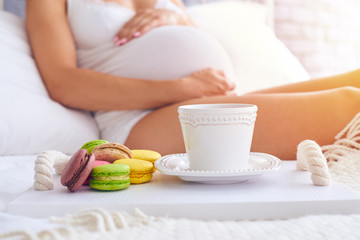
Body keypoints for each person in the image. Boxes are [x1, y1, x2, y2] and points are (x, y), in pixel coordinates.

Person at [26, 0, 360, 160]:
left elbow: (194, 42)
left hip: (204, 102)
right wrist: (182, 87)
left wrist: (177, 16)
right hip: (139, 122)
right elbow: (63, 83)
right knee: (349, 105)